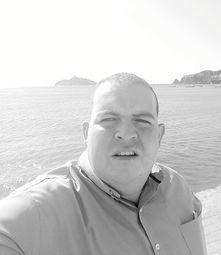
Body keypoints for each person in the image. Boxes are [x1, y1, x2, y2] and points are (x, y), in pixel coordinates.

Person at [0, 73, 207, 255]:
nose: (126, 133)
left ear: (159, 136)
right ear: (86, 133)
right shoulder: (36, 215)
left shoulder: (177, 188)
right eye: (108, 119)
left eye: (143, 121)